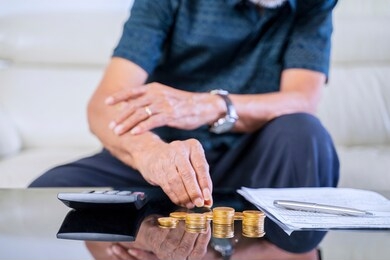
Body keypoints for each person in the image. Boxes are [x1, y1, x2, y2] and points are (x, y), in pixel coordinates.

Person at [30, 0, 339, 256]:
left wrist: (212, 105)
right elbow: (103, 106)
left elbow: (302, 99)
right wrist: (150, 154)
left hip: (254, 157)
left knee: (304, 131)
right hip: (164, 153)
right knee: (43, 196)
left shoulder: (314, 5)